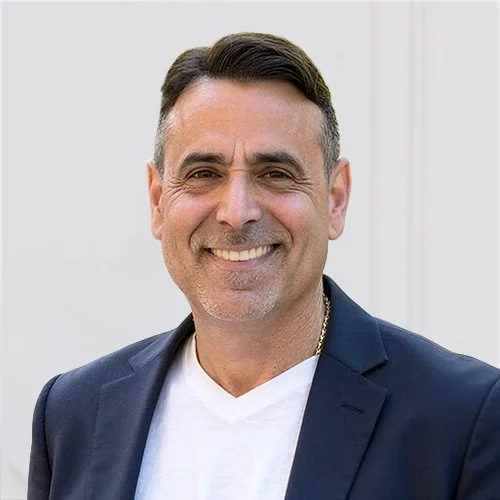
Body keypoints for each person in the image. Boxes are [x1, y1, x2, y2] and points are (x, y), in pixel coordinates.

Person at [28, 32, 500, 500]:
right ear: (157, 201)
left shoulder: (461, 418)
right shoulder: (72, 414)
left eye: (275, 174)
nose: (237, 212)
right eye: (203, 174)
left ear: (335, 199)